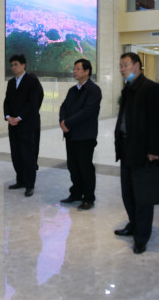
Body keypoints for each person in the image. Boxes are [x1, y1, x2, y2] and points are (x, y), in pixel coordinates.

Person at [114, 52, 159, 254]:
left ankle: (142, 236)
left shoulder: (150, 88)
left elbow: (157, 121)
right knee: (128, 192)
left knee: (142, 195)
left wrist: (153, 150)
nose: (122, 69)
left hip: (142, 150)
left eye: (125, 65)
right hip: (126, 147)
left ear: (137, 66)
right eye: (120, 65)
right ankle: (133, 224)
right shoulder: (128, 88)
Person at [59, 59, 102, 211]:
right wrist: (62, 121)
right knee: (73, 166)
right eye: (74, 68)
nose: (74, 71)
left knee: (85, 167)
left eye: (78, 68)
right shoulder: (73, 90)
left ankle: (88, 198)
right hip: (71, 135)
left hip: (85, 136)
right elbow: (63, 106)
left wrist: (68, 123)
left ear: (87, 71)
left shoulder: (93, 90)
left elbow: (87, 112)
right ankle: (76, 193)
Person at [3, 54, 42, 197]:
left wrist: (19, 117)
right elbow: (6, 101)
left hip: (28, 125)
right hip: (13, 125)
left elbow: (33, 103)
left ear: (23, 65)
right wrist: (8, 116)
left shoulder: (32, 81)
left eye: (16, 64)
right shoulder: (11, 83)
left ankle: (30, 185)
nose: (13, 67)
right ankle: (20, 180)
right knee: (16, 154)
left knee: (28, 155)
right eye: (12, 65)